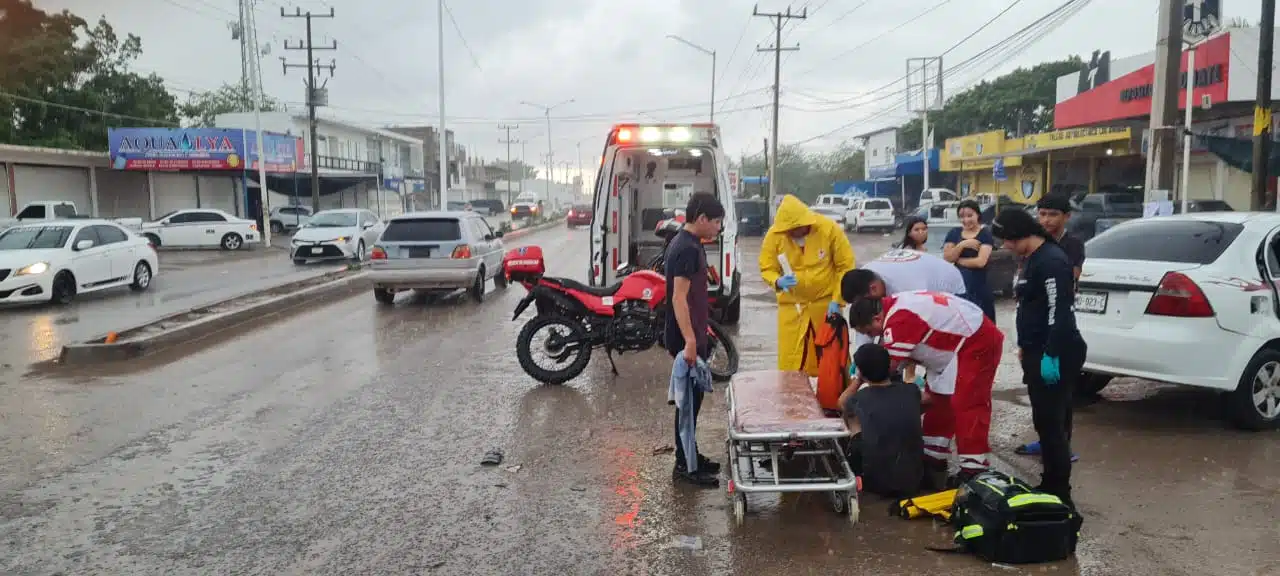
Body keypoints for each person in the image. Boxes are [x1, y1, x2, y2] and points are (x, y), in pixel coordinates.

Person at [847, 290, 1004, 487]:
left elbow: (884, 370)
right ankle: (933, 458)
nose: (873, 336)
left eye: (870, 331)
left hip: (976, 342)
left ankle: (974, 469)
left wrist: (859, 378)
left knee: (968, 405)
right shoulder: (896, 305)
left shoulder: (899, 320)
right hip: (955, 345)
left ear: (878, 318)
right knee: (938, 402)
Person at [992, 209, 1087, 508]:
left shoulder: (1052, 261)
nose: (1005, 246)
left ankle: (1060, 493)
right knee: (1044, 421)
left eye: (1007, 240)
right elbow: (1029, 306)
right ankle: (1050, 481)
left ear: (1020, 234)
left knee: (1052, 424)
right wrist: (1025, 345)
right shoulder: (1032, 259)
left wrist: (1050, 353)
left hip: (1056, 352)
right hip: (1037, 349)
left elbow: (1059, 312)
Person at [1017, 193, 1088, 457]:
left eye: (1052, 214)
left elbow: (1065, 285)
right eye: (1042, 214)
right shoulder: (1032, 247)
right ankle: (1045, 440)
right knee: (1039, 394)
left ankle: (1061, 444)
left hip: (1058, 322)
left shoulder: (1071, 247)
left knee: (1060, 395)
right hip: (1034, 327)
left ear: (1066, 217)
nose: (1046, 220)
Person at [664, 191, 725, 487]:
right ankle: (685, 468)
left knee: (693, 403)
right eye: (715, 222)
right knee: (687, 406)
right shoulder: (686, 248)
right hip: (685, 339)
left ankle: (691, 456)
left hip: (694, 335)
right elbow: (678, 298)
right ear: (701, 219)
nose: (718, 228)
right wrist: (689, 340)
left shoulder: (690, 242)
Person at [759, 194, 856, 376]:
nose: (792, 233)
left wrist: (837, 300)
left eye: (795, 229)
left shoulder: (829, 229)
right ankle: (792, 401)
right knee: (791, 361)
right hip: (792, 308)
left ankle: (833, 401)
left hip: (825, 307)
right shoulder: (775, 235)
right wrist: (777, 281)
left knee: (831, 358)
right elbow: (767, 267)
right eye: (788, 230)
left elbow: (845, 267)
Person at [836, 343, 925, 498]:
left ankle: (854, 467)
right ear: (889, 366)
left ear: (861, 372)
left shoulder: (859, 399)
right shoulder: (911, 391)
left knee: (852, 420)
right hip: (913, 480)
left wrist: (858, 380)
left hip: (875, 483)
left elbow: (841, 403)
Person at [943, 200, 997, 321]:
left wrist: (958, 261)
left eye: (969, 215)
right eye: (962, 217)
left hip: (979, 287)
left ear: (978, 215)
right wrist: (962, 245)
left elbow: (980, 262)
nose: (966, 220)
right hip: (959, 287)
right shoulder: (954, 233)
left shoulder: (985, 234)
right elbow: (947, 257)